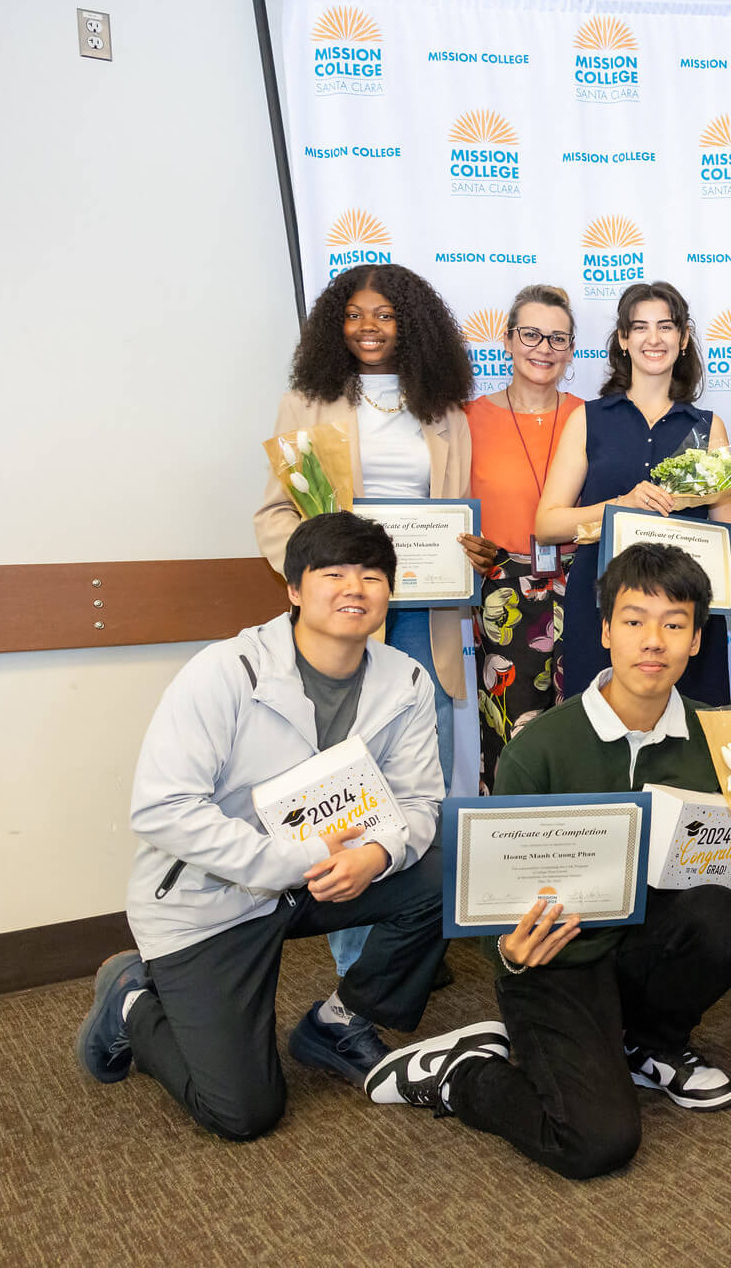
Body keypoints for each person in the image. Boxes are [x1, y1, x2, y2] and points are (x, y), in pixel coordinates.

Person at [363, 545, 731, 1180]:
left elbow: (730, 878)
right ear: (605, 632)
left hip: (645, 952)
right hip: (557, 960)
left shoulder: (723, 747)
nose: (653, 641)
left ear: (697, 641)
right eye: (634, 621)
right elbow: (496, 897)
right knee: (595, 1143)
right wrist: (510, 954)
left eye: (675, 624)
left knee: (720, 919)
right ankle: (463, 1074)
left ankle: (650, 1045)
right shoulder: (540, 747)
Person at [74, 512, 451, 1141]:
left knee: (449, 871)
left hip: (324, 877)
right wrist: (292, 861)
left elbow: (417, 802)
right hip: (212, 898)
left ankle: (341, 1019)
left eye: (372, 575)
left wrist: (379, 855)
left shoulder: (404, 681)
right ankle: (130, 999)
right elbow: (161, 807)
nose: (354, 588)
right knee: (243, 1113)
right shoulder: (225, 672)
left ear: (391, 591)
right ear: (294, 589)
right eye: (332, 574)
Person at [251, 263, 476, 976]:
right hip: (343, 620)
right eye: (354, 314)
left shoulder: (446, 412)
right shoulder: (306, 404)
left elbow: (457, 512)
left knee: (420, 781)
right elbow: (274, 514)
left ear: (412, 324)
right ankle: (356, 956)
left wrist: (468, 551)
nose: (370, 326)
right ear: (334, 326)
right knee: (346, 783)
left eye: (384, 314)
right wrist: (319, 573)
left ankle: (407, 939)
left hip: (422, 621)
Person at [536, 280, 731, 707]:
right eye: (639, 327)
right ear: (623, 340)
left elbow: (726, 536)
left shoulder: (708, 428)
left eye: (666, 327)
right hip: (602, 609)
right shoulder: (587, 419)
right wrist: (618, 507)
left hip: (684, 613)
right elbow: (547, 524)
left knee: (689, 741)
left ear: (683, 339)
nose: (653, 338)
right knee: (594, 740)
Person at [457, 283, 585, 790]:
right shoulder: (465, 420)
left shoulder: (589, 417)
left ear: (573, 349)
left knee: (584, 726)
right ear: (507, 340)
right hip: (503, 591)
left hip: (581, 584)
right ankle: (509, 848)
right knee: (511, 735)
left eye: (558, 338)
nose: (543, 348)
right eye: (530, 334)